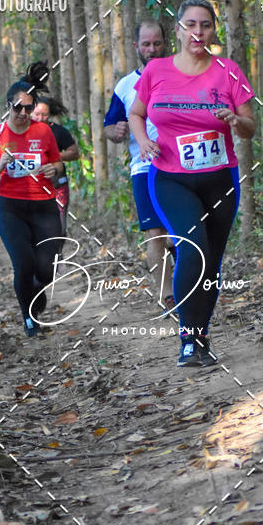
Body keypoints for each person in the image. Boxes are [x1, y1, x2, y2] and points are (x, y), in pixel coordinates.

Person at [128, 0, 256, 367]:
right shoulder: (156, 70)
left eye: (205, 25)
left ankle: (201, 335)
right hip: (170, 178)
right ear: (178, 30)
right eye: (190, 25)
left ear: (214, 31)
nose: (197, 31)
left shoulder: (229, 71)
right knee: (192, 246)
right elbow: (137, 114)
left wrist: (234, 119)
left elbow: (249, 129)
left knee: (212, 262)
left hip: (220, 179)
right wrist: (145, 141)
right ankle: (186, 339)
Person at [0, 63, 64, 338]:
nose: (24, 113)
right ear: (8, 106)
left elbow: (58, 164)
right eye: (18, 108)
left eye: (29, 108)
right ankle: (29, 317)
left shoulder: (43, 132)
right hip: (12, 208)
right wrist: (0, 164)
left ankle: (37, 289)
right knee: (24, 264)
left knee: (47, 268)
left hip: (44, 206)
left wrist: (54, 170)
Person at [104, 20, 174, 312]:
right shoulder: (125, 85)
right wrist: (117, 131)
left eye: (157, 43)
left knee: (181, 231)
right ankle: (168, 297)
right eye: (146, 44)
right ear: (137, 47)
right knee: (155, 233)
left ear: (165, 44)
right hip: (144, 168)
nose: (152, 49)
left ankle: (190, 284)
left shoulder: (180, 74)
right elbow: (109, 128)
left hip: (184, 165)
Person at [31, 96, 79, 236]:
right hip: (32, 186)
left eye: (44, 115)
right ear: (31, 112)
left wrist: (55, 156)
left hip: (57, 183)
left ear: (50, 114)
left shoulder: (58, 131)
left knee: (60, 221)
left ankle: (58, 253)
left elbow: (74, 153)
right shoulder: (24, 131)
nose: (40, 118)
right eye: (37, 114)